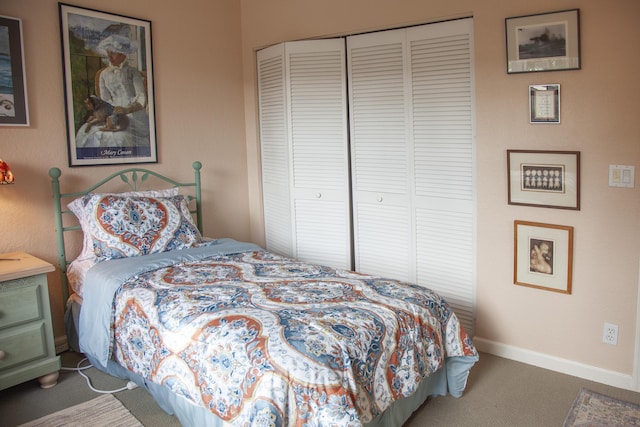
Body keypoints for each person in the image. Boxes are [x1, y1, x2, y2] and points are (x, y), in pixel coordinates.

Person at [75, 34, 150, 148]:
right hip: (111, 112)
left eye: (113, 53)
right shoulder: (104, 74)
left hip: (133, 114)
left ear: (123, 53)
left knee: (120, 137)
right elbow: (104, 101)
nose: (109, 57)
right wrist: (101, 115)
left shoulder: (132, 72)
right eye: (108, 54)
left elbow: (141, 97)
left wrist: (127, 109)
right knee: (85, 131)